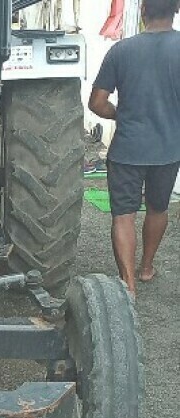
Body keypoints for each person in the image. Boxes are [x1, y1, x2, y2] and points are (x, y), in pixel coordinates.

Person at [89, 0, 180, 296]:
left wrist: (120, 113)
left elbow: (97, 103)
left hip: (127, 148)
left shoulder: (121, 51)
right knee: (158, 207)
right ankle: (146, 268)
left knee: (124, 214)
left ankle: (127, 284)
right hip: (168, 149)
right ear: (176, 11)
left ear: (142, 11)